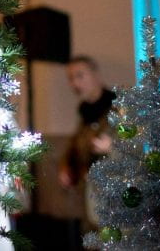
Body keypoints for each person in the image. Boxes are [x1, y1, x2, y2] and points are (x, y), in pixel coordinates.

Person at [59, 56, 116, 230]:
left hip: (114, 200)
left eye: (80, 75)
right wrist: (66, 166)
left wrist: (113, 147)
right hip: (90, 199)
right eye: (71, 78)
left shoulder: (118, 109)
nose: (74, 83)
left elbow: (133, 148)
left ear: (96, 75)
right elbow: (76, 145)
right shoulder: (85, 113)